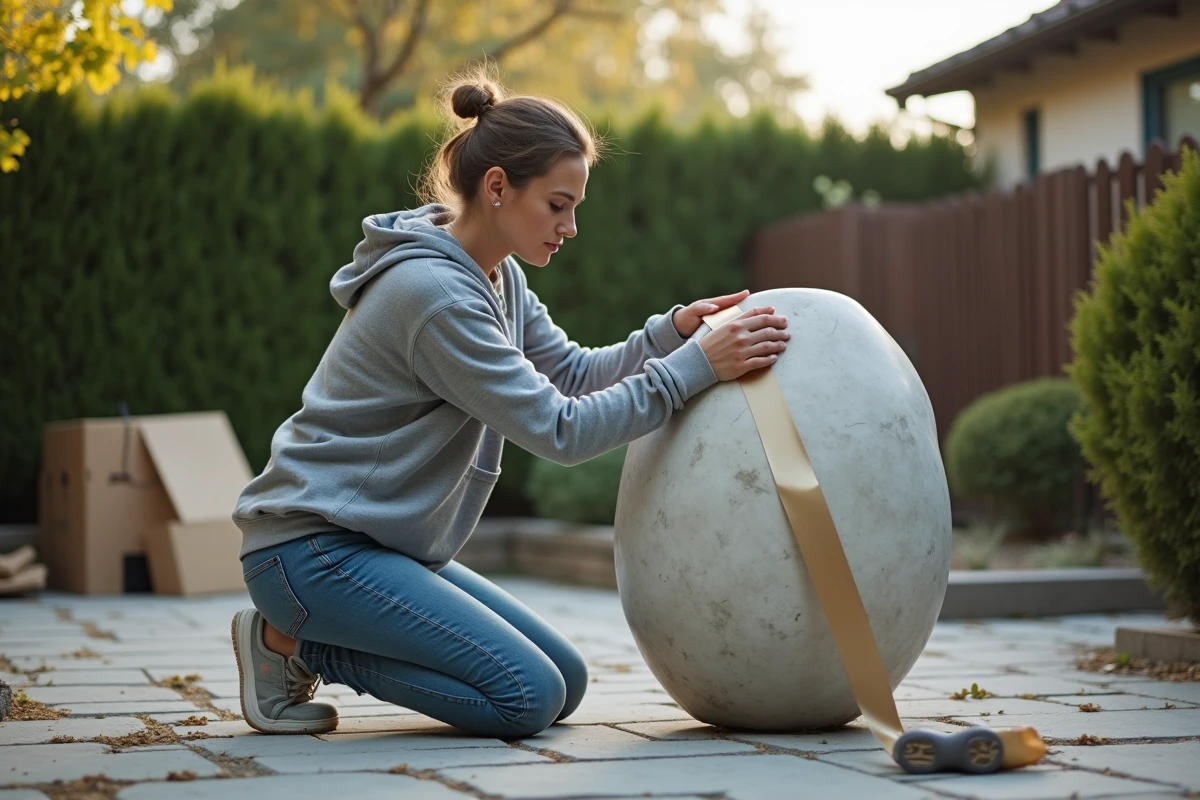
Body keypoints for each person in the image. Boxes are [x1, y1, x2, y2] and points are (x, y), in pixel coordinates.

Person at [228, 72, 791, 739]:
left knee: (566, 682)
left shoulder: (498, 276)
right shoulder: (435, 296)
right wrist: (694, 370)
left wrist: (672, 334)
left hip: (378, 549)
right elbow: (561, 429)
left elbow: (573, 374)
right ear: (497, 187)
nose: (571, 226)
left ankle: (303, 637)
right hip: (313, 555)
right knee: (524, 697)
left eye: (575, 206)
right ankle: (288, 644)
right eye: (557, 204)